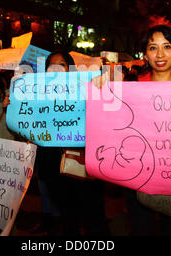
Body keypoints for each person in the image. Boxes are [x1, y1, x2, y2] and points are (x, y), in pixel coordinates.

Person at [125, 25, 171, 235]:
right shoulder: (130, 87)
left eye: (167, 46)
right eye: (153, 47)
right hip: (137, 178)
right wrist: (101, 87)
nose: (160, 54)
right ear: (145, 54)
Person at [32, 50, 110, 236]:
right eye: (51, 65)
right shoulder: (38, 96)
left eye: (62, 64)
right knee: (68, 219)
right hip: (54, 168)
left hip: (84, 167)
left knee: (94, 218)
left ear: (70, 69)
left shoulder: (86, 90)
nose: (56, 69)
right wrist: (12, 109)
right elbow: (29, 127)